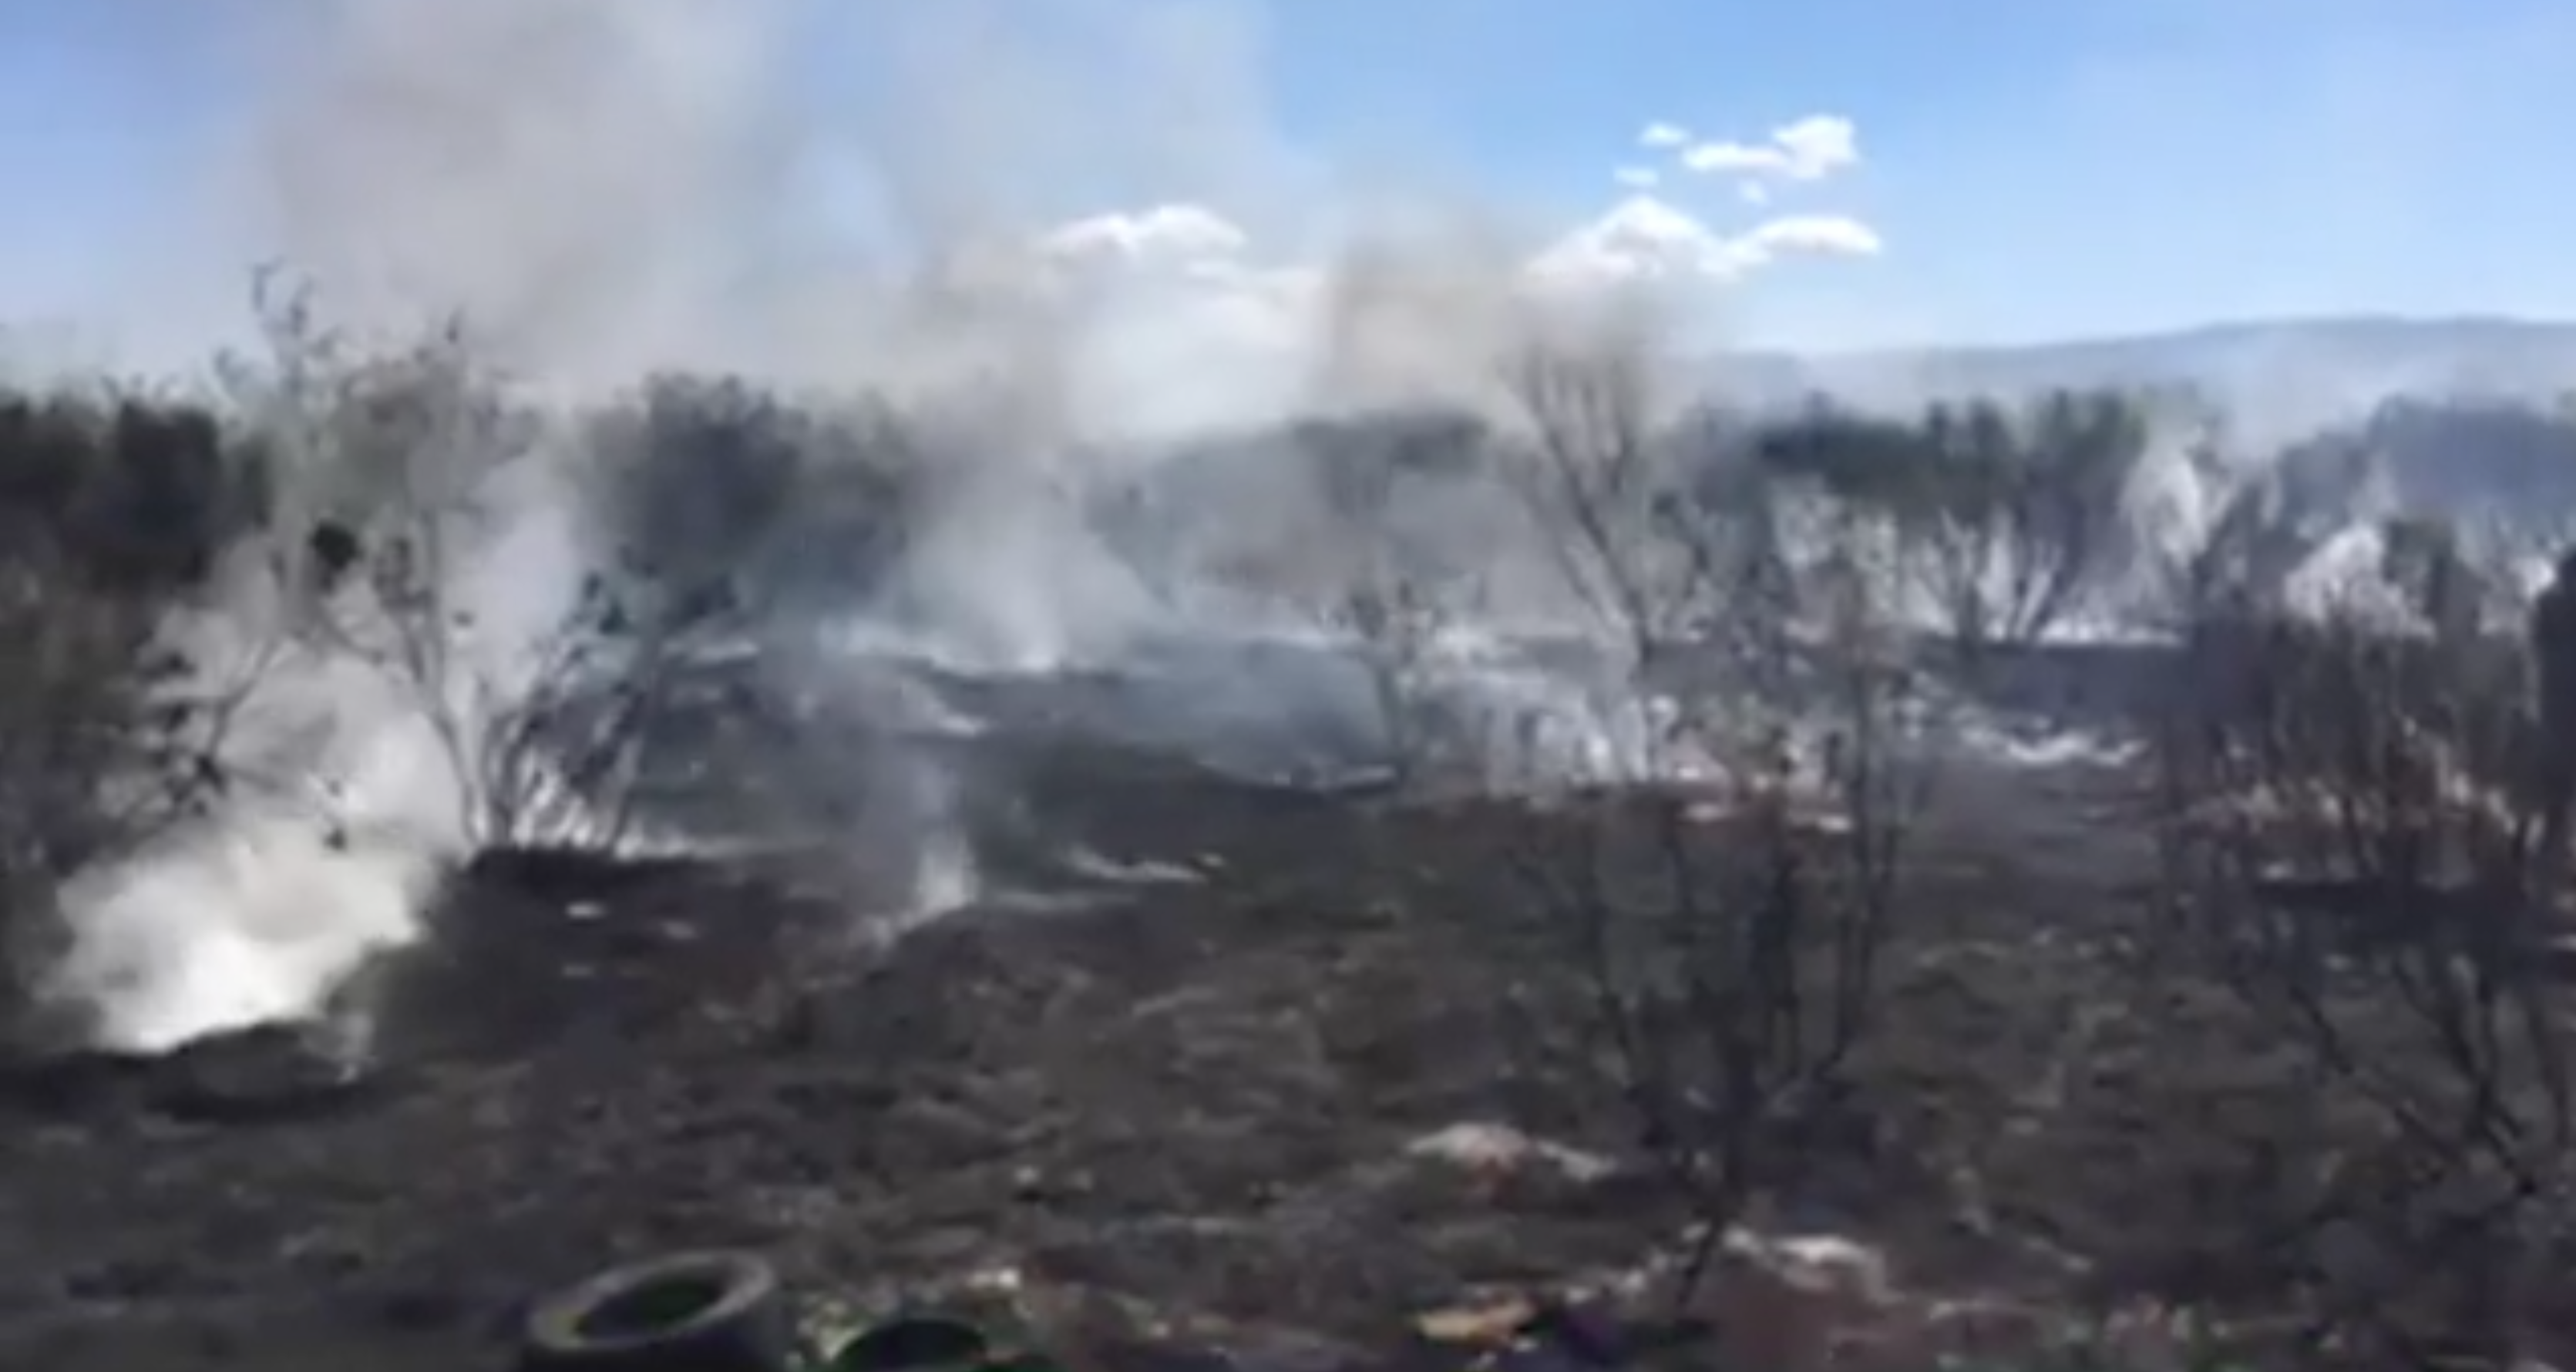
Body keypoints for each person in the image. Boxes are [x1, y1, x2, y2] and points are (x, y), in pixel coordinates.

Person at [2527, 548, 2576, 880]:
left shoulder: (2546, 609)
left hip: (2551, 725)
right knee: (2557, 815)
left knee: (2555, 816)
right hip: (2563, 727)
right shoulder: (2554, 611)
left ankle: (2543, 887)